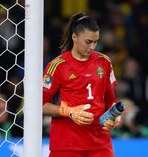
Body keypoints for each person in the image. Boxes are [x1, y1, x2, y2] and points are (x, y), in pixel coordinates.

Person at [43, 12, 121, 157]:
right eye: (88, 42)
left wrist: (114, 116)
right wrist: (69, 111)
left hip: (100, 143)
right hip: (67, 144)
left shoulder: (104, 62)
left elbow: (110, 99)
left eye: (95, 41)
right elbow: (40, 106)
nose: (92, 46)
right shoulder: (57, 66)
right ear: (74, 37)